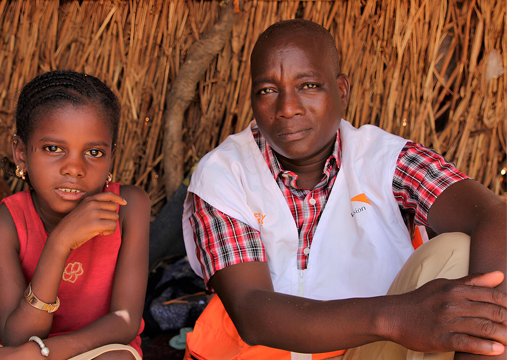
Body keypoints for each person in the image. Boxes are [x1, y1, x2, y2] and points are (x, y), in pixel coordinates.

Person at [182, 19, 507, 360]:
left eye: (308, 85)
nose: (287, 108)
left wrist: (482, 347)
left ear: (342, 90)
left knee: (456, 251)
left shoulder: (385, 159)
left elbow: (493, 215)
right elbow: (250, 311)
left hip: (369, 352)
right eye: (268, 90)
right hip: (259, 355)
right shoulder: (224, 174)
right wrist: (398, 317)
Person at [0, 70, 150, 360]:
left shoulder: (129, 206)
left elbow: (125, 320)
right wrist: (59, 243)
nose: (74, 168)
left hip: (98, 349)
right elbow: (15, 336)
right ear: (21, 154)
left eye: (93, 152)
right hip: (24, 347)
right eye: (53, 148)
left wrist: (43, 352)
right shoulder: (3, 223)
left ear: (111, 157)